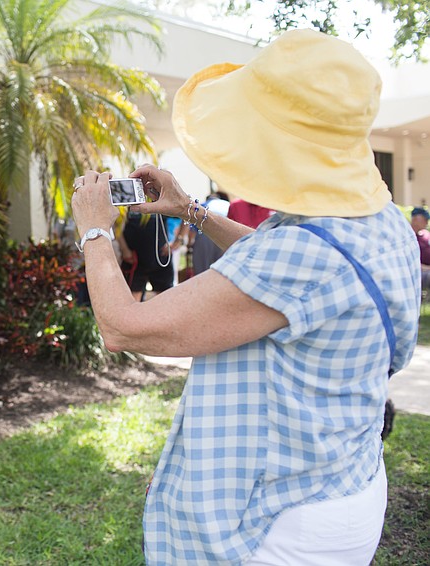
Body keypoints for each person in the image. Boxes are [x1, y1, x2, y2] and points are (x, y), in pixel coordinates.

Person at [70, 29, 420, 565]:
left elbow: (124, 327)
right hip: (344, 480)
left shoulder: (305, 255)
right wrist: (191, 210)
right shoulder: (377, 222)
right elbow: (278, 260)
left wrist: (95, 229)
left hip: (283, 521)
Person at [117, 211, 173, 301]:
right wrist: (124, 249)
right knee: (132, 299)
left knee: (166, 298)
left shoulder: (160, 197)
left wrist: (178, 241)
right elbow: (116, 223)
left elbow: (187, 211)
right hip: (134, 258)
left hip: (160, 257)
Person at [409, 206, 430, 290]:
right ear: (416, 220)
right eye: (425, 220)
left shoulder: (425, 235)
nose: (426, 223)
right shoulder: (408, 237)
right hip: (418, 271)